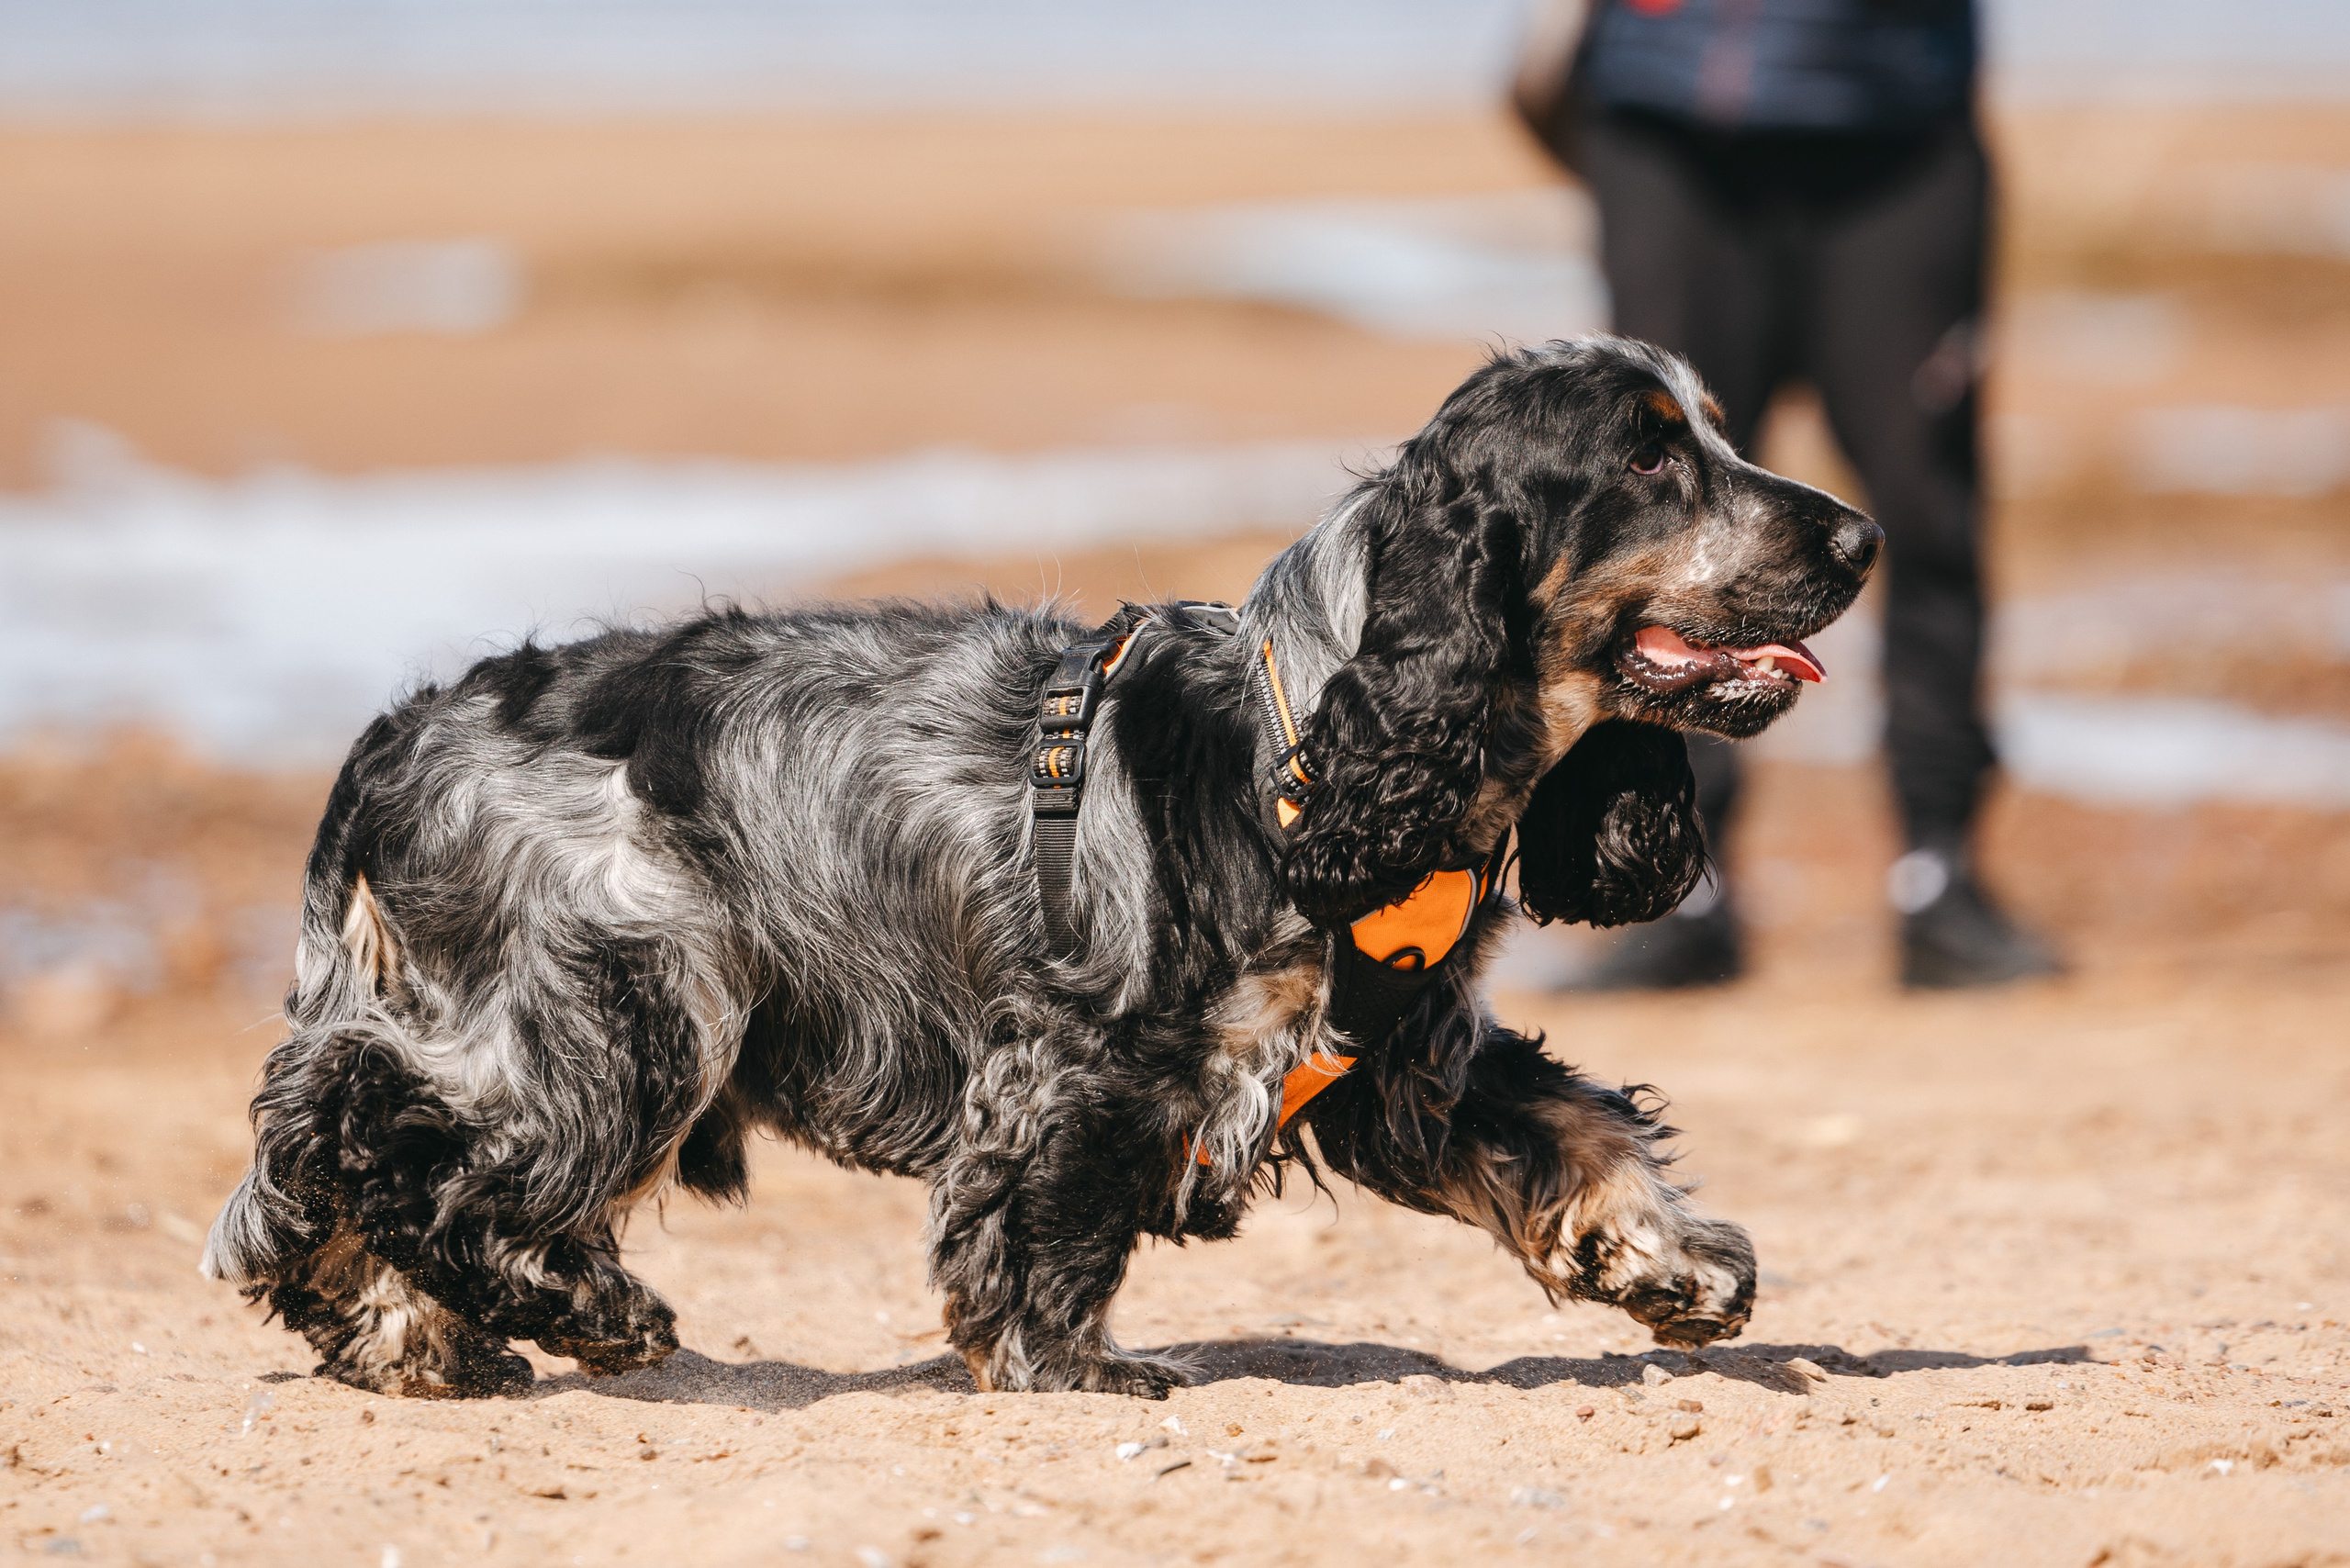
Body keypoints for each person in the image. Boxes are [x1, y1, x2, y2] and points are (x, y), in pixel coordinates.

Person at [1512, 0, 2059, 989]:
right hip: (1665, 127)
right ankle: (1675, 888)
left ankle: (1939, 875)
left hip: (1897, 136)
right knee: (1654, 518)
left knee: (1928, 514)